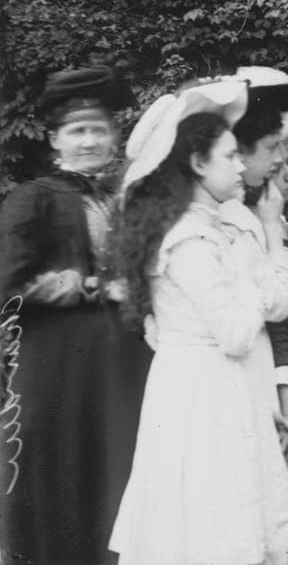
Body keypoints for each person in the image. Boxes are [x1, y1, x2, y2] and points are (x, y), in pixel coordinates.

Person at [109, 80, 288, 565]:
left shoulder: (223, 225)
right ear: (198, 164)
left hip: (232, 388)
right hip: (200, 395)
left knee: (242, 516)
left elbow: (280, 303)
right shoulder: (187, 239)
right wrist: (256, 272)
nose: (242, 166)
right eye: (229, 157)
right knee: (207, 521)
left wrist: (272, 242)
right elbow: (237, 333)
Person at [0, 66, 151, 565]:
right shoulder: (34, 198)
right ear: (54, 140)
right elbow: (5, 282)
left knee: (121, 472)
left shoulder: (132, 199)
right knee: (63, 475)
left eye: (99, 130)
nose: (89, 141)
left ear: (115, 136)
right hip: (58, 367)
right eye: (77, 131)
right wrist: (81, 285)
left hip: (125, 368)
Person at [226, 66, 288, 563]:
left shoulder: (256, 208)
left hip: (269, 372)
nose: (285, 168)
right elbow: (269, 313)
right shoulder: (232, 219)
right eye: (274, 152)